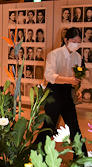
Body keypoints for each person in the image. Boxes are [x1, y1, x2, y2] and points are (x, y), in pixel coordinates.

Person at [34, 27, 87, 155]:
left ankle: (81, 156)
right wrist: (69, 80)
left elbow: (77, 78)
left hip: (67, 92)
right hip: (54, 92)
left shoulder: (78, 57)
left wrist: (77, 90)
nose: (76, 44)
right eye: (74, 41)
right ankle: (34, 153)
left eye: (78, 42)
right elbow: (49, 76)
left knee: (74, 125)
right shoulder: (54, 54)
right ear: (66, 40)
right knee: (49, 126)